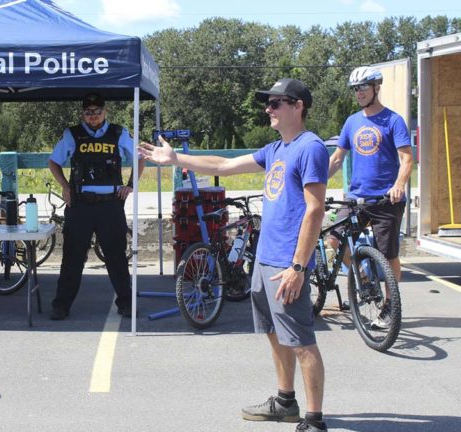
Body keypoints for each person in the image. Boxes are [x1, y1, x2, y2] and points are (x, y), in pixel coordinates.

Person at [139, 78, 329, 432]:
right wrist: (177, 157)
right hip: (266, 260)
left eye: (276, 103)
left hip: (288, 264)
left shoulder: (310, 147)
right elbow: (223, 165)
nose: (268, 109)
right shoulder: (276, 149)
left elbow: (315, 210)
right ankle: (285, 401)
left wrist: (299, 266)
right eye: (268, 104)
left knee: (302, 342)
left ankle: (315, 421)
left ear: (298, 105)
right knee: (275, 333)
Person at [327, 66, 413, 328]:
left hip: (386, 201)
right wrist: (316, 181)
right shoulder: (352, 121)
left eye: (363, 87)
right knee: (333, 238)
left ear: (376, 88)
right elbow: (338, 157)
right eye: (355, 88)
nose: (359, 92)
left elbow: (407, 158)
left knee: (388, 256)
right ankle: (363, 277)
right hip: (356, 199)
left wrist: (399, 185)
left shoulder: (393, 120)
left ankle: (390, 305)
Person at [48, 92, 145, 320]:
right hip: (79, 205)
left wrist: (130, 185)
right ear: (83, 114)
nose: (93, 116)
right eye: (88, 112)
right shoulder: (72, 134)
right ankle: (61, 305)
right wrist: (65, 186)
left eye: (97, 112)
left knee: (116, 257)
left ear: (105, 112)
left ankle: (126, 303)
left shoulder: (119, 133)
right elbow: (54, 161)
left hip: (110, 206)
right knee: (72, 257)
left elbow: (140, 157)